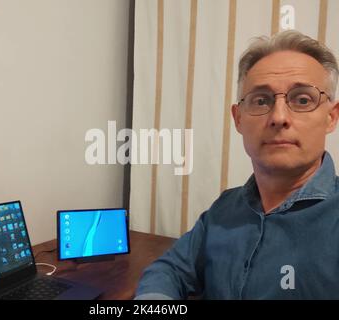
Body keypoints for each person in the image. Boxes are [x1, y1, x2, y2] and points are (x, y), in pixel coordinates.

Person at [135, 30, 339, 300]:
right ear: (239, 118)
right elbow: (170, 269)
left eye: (302, 100)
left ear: (331, 117)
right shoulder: (224, 209)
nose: (279, 117)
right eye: (261, 101)